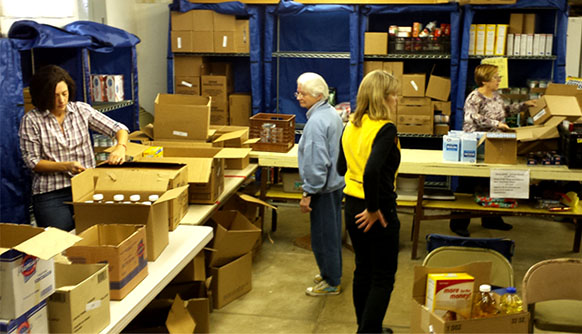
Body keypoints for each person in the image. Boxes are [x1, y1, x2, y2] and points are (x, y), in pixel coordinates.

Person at [19, 65, 129, 232]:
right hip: (50, 193)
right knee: (61, 241)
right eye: (54, 96)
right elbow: (32, 162)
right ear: (42, 96)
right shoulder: (31, 120)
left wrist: (120, 147)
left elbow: (118, 128)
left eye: (64, 94)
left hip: (86, 186)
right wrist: (66, 166)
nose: (62, 100)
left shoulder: (81, 110)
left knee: (96, 233)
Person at [337, 70, 400, 334]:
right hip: (377, 210)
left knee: (363, 269)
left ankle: (366, 327)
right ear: (382, 97)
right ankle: (368, 331)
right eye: (394, 94)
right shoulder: (385, 129)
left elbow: (342, 167)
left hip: (351, 206)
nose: (397, 100)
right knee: (383, 276)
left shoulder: (351, 125)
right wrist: (374, 209)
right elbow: (372, 171)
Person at [450, 64, 536, 237]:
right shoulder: (474, 97)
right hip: (477, 145)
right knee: (469, 184)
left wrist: (523, 106)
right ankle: (459, 222)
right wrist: (496, 124)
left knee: (494, 182)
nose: (499, 80)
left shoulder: (496, 96)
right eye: (496, 77)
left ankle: (492, 219)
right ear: (484, 80)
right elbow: (472, 117)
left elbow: (505, 111)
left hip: (495, 143)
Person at [296, 72, 345, 296]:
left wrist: (308, 192)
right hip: (335, 185)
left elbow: (317, 163)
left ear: (317, 95)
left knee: (323, 237)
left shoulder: (316, 122)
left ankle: (331, 281)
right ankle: (330, 272)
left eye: (302, 93)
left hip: (322, 189)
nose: (298, 96)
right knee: (332, 233)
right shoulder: (331, 114)